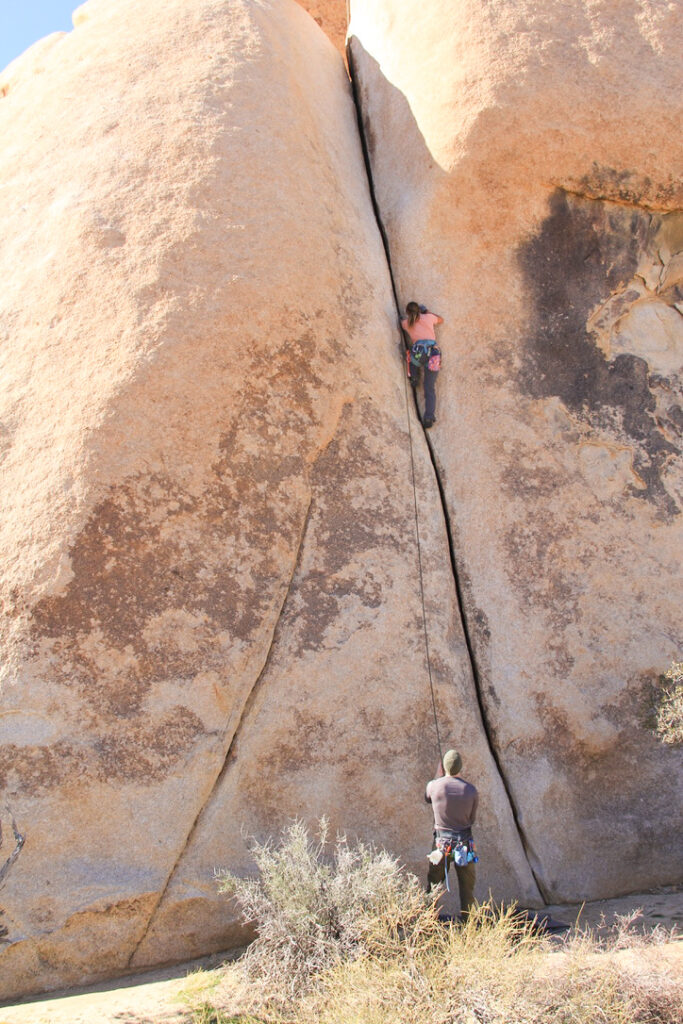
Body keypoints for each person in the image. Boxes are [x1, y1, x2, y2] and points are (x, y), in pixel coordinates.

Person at [425, 749, 478, 918]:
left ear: (444, 767)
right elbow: (472, 818)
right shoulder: (470, 790)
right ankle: (469, 926)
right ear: (460, 767)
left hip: (441, 845)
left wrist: (437, 776)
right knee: (467, 889)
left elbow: (427, 796)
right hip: (464, 845)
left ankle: (427, 924)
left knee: (433, 886)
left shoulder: (434, 786)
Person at [401, 301, 444, 428]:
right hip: (433, 354)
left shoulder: (407, 323)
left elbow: (402, 322)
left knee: (409, 355)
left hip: (419, 355)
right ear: (420, 310)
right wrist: (426, 312)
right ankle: (429, 417)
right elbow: (441, 319)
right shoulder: (428, 317)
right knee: (429, 387)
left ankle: (413, 376)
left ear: (408, 312)